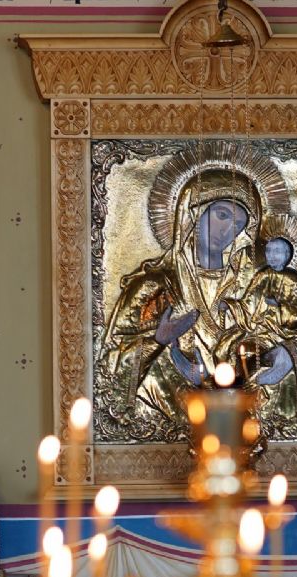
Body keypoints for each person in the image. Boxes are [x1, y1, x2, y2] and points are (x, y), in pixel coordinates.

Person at [101, 169, 261, 433]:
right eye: (222, 215)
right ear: (194, 213)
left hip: (231, 423)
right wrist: (158, 342)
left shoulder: (245, 291)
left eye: (238, 224)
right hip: (164, 414)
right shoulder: (154, 286)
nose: (227, 230)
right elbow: (109, 369)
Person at [215, 231, 297, 419]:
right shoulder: (262, 275)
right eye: (269, 251)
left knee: (252, 354)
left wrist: (278, 307)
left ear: (287, 255)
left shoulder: (293, 280)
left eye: (277, 251)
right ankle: (232, 398)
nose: (272, 255)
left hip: (283, 333)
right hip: (259, 330)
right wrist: (230, 306)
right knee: (227, 348)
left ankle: (255, 400)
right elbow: (248, 303)